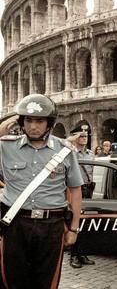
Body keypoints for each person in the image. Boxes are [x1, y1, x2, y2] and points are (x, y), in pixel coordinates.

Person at [0, 94, 84, 289]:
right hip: (15, 224)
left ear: (49, 123)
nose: (33, 126)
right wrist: (8, 122)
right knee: (11, 279)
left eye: (39, 120)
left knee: (47, 281)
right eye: (28, 120)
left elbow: (76, 191)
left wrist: (73, 229)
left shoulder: (65, 150)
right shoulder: (5, 147)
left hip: (51, 226)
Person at [66, 130, 96, 268]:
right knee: (75, 221)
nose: (84, 138)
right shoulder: (71, 153)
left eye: (85, 136)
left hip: (89, 188)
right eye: (81, 136)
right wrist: (71, 139)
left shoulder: (90, 154)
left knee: (85, 223)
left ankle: (82, 253)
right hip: (76, 189)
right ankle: (73, 256)